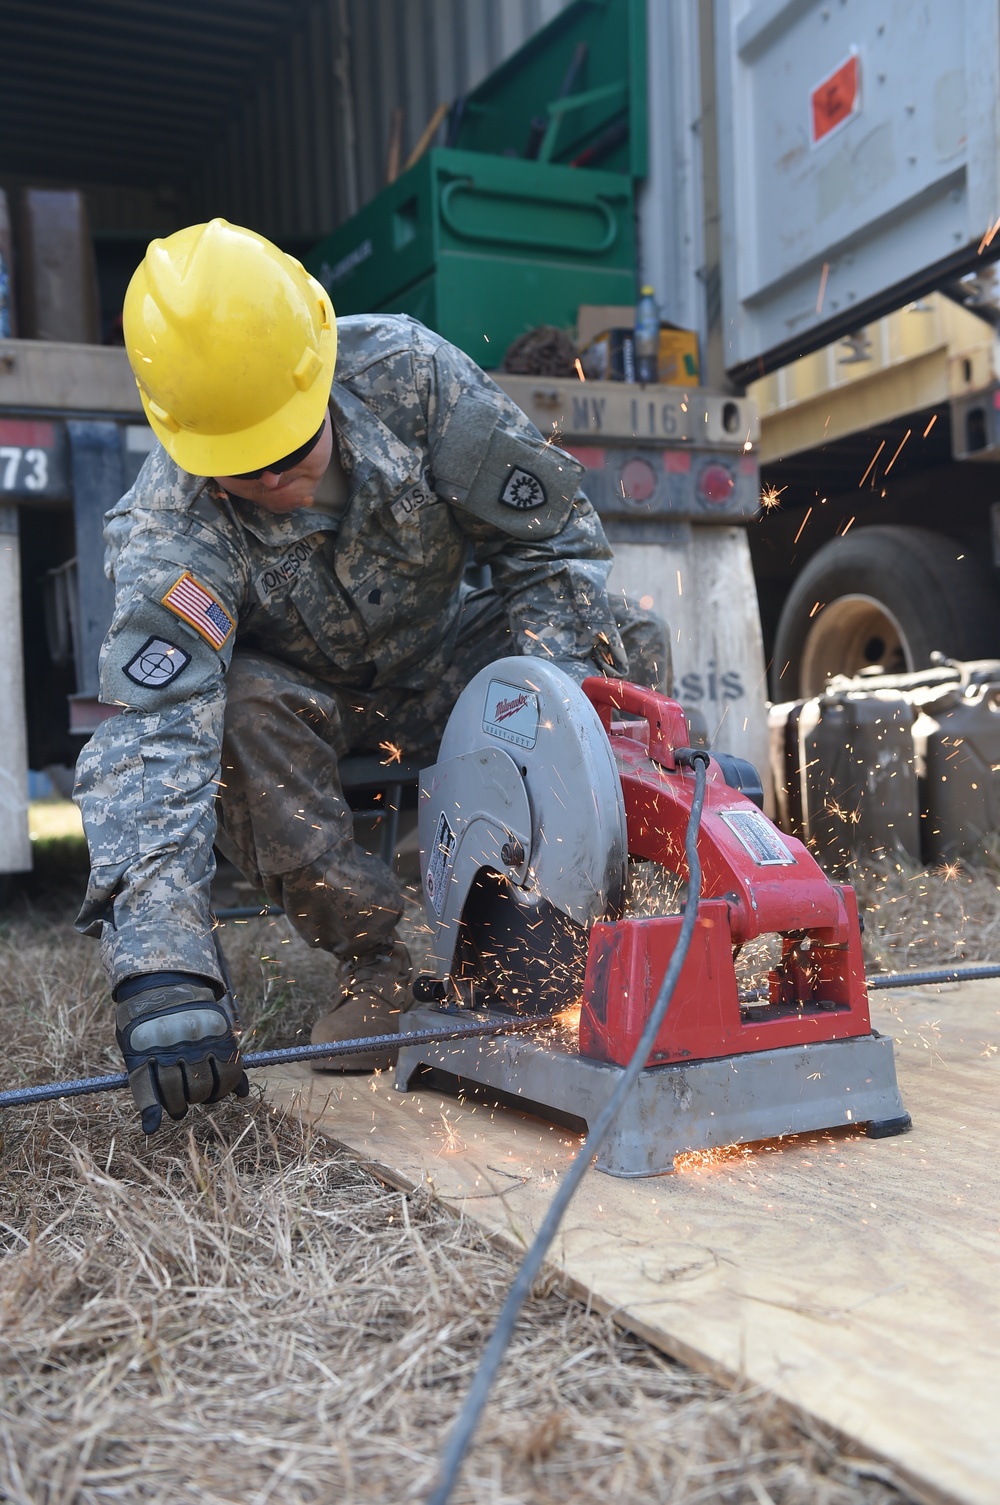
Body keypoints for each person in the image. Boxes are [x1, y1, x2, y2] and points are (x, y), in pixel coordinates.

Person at [74, 218, 668, 1135]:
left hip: (447, 655)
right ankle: (379, 959)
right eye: (244, 466)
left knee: (617, 634)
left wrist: (565, 748)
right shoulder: (170, 525)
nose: (277, 479)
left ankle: (591, 923)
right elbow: (157, 736)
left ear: (318, 360)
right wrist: (164, 966)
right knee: (235, 714)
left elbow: (549, 547)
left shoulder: (409, 375)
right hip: (319, 703)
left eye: (291, 443)